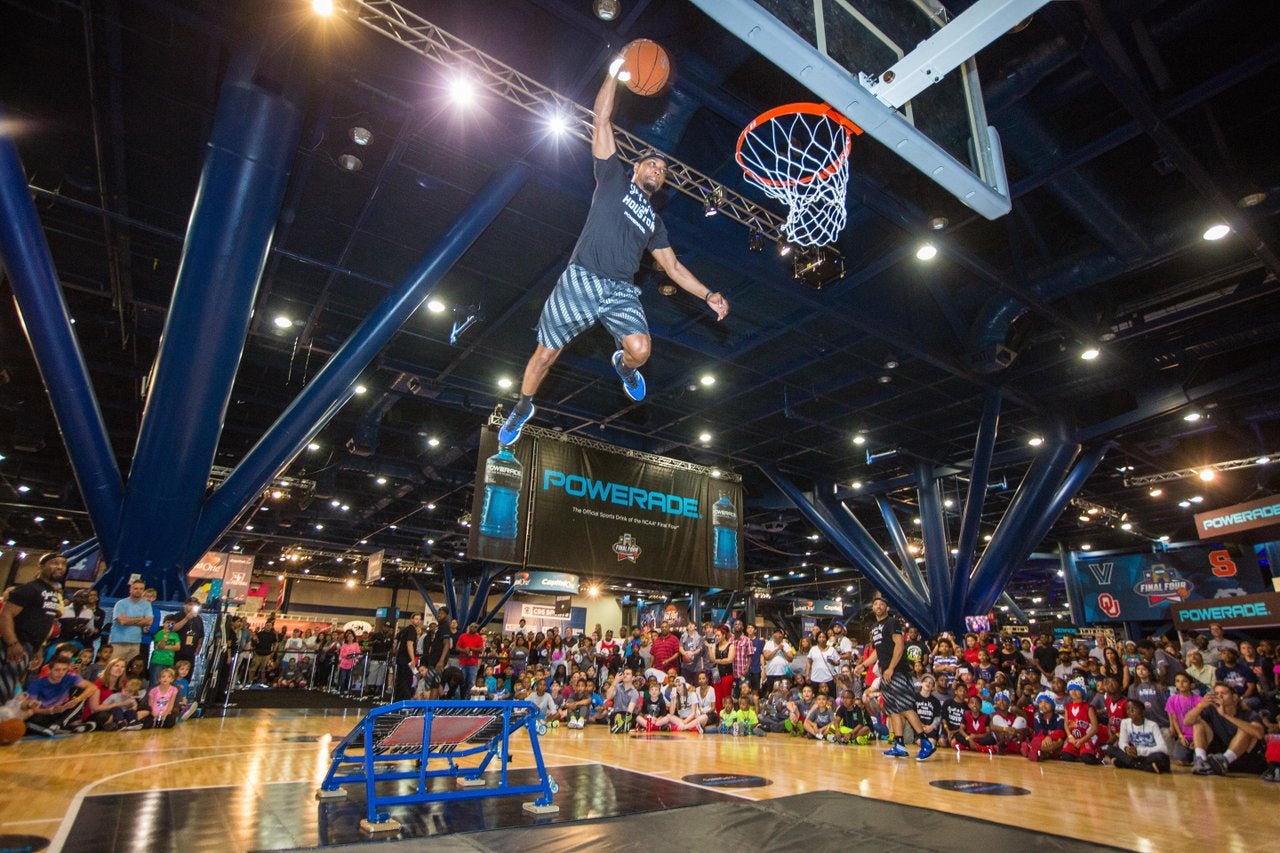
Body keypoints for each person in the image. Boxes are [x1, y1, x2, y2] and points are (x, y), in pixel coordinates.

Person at [496, 59, 729, 446]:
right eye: (651, 164)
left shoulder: (655, 223)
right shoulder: (613, 179)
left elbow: (671, 266)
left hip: (620, 289)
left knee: (641, 349)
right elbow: (601, 122)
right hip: (580, 279)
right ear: (636, 168)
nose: (657, 169)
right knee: (544, 358)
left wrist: (708, 294)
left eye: (663, 170)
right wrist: (612, 74)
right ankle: (523, 407)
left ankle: (622, 364)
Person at [870, 595, 934, 760]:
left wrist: (891, 667)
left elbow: (899, 645)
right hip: (885, 673)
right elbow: (877, 650)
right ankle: (899, 745)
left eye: (881, 604)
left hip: (897, 671)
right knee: (893, 710)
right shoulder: (874, 627)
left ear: (887, 608)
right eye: (875, 604)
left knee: (906, 707)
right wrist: (863, 665)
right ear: (872, 608)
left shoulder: (892, 622)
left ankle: (925, 742)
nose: (878, 606)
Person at [1, 553, 67, 702]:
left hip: (29, 646)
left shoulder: (53, 594)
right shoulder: (29, 589)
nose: (60, 567)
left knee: (10, 689)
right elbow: (5, 616)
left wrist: (38, 648)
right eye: (55, 563)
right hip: (12, 646)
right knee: (3, 689)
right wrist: (12, 643)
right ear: (41, 566)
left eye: (63, 564)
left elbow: (43, 622)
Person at [1185, 681, 1266, 776]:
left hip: (1244, 760)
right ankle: (1201, 760)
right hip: (1217, 758)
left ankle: (1224, 760)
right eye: (1216, 693)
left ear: (1235, 698)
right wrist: (1201, 706)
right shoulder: (1211, 710)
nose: (1219, 696)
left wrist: (1226, 715)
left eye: (1223, 693)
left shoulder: (1248, 714)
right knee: (1198, 723)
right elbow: (1187, 722)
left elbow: (1259, 734)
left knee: (1246, 728)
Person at [23, 655, 99, 736]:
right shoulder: (36, 684)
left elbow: (92, 687)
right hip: (45, 713)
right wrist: (51, 710)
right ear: (49, 670)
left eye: (64, 670)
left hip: (63, 711)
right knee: (31, 723)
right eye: (57, 670)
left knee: (81, 692)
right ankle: (70, 728)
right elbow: (33, 710)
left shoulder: (69, 677)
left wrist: (77, 699)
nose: (61, 673)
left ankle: (58, 725)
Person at [1104, 699, 1170, 773]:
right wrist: (1126, 749)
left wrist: (1139, 751)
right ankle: (1142, 766)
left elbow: (1163, 748)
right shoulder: (1125, 723)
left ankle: (1130, 764)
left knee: (1162, 758)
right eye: (1128, 709)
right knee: (1111, 750)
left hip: (1148, 755)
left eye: (1133, 708)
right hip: (1133, 755)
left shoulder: (1153, 725)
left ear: (1143, 712)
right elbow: (1122, 742)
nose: (1130, 711)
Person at [394, 613, 422, 701]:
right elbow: (409, 644)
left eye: (419, 619)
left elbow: (396, 640)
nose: (418, 621)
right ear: (412, 620)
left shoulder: (404, 630)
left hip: (401, 658)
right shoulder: (411, 630)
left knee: (400, 680)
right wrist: (413, 659)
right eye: (416, 619)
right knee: (406, 681)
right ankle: (405, 701)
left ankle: (397, 700)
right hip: (406, 659)